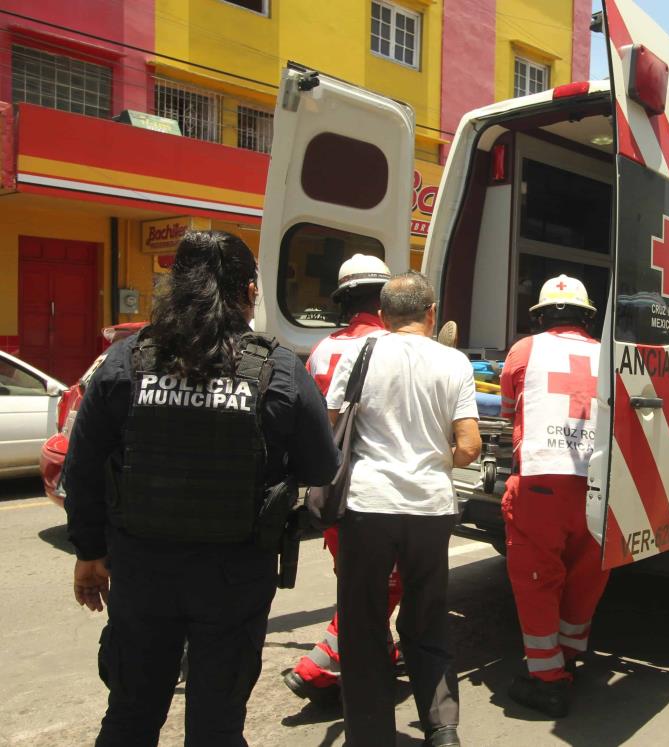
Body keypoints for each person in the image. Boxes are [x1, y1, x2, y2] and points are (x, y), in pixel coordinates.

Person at [64, 231, 339, 746]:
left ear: (176, 286)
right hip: (234, 578)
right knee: (216, 726)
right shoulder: (279, 368)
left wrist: (89, 552)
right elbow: (322, 466)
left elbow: (81, 467)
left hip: (141, 572)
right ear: (250, 291)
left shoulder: (127, 362)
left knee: (129, 716)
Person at [326, 272, 480, 747]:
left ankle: (370, 736)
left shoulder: (356, 353)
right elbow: (470, 446)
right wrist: (436, 458)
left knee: (363, 622)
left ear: (385, 314)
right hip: (430, 507)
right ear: (431, 313)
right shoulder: (454, 362)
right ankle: (442, 727)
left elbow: (333, 426)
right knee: (427, 615)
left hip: (367, 506)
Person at [284, 253, 404, 706]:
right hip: (379, 490)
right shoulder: (395, 348)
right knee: (385, 583)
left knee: (355, 578)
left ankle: (381, 651)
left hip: (331, 490)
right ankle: (320, 667)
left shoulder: (321, 350)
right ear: (385, 298)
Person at [499, 274, 608, 718]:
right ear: (586, 317)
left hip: (543, 481)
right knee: (587, 571)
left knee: (537, 578)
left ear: (541, 316)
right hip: (600, 482)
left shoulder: (525, 350)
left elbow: (509, 409)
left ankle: (546, 680)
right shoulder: (609, 354)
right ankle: (567, 656)